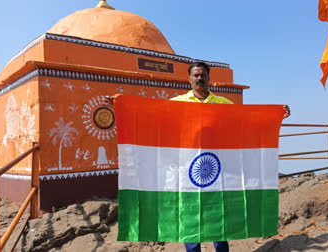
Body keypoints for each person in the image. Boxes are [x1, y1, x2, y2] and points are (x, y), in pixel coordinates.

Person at [106, 61, 290, 252]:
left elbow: (246, 122)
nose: (199, 78)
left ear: (209, 78)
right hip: (187, 172)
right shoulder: (177, 104)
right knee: (190, 220)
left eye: (203, 75)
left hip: (218, 171)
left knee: (219, 218)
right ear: (189, 79)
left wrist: (276, 116)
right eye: (196, 75)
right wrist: (119, 106)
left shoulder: (222, 104)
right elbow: (152, 118)